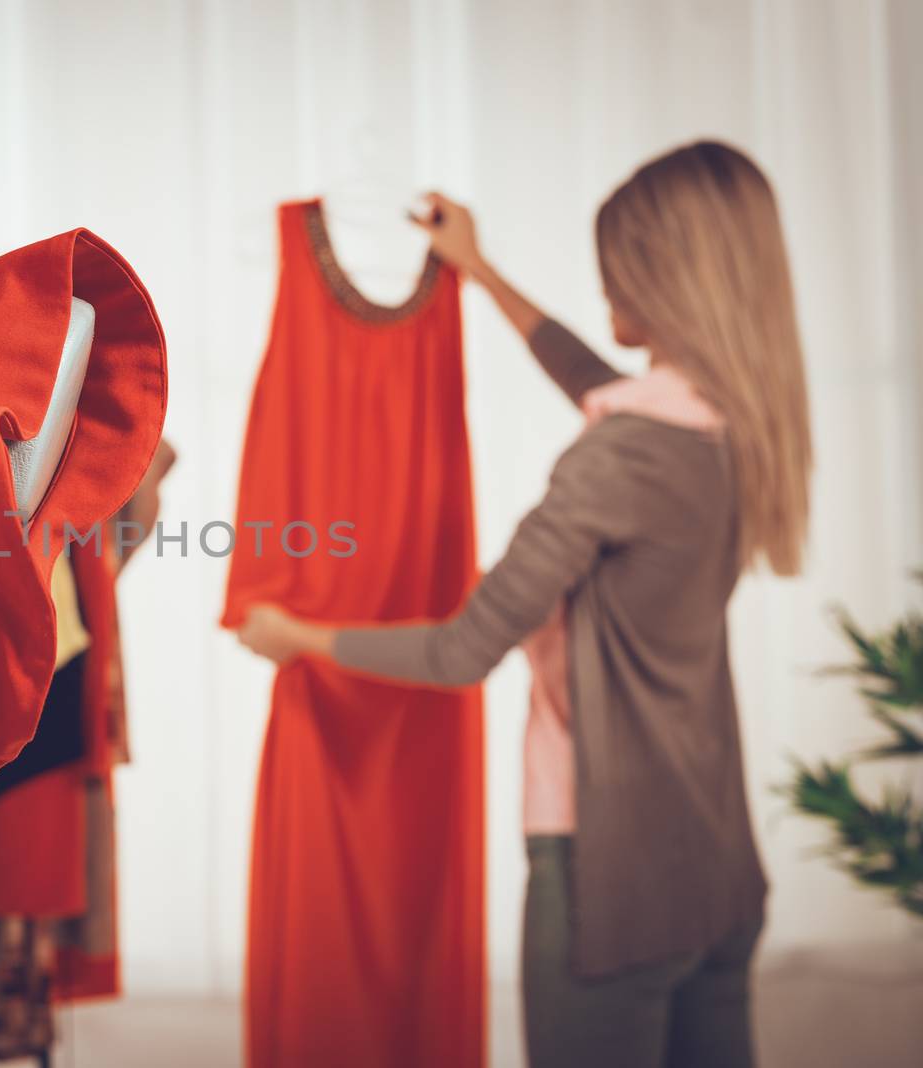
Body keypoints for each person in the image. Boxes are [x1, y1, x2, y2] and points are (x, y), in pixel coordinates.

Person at [237, 140, 812, 1068]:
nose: (604, 287)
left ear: (666, 280)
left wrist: (299, 635)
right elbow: (598, 381)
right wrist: (482, 271)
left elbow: (463, 650)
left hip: (612, 883)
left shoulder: (617, 458)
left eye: (616, 268)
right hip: (718, 874)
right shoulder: (736, 426)